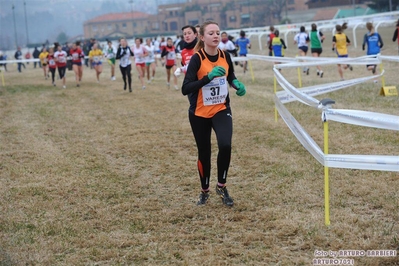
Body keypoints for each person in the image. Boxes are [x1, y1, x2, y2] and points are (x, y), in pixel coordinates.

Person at [181, 21, 246, 206]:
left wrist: (236, 85)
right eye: (211, 33)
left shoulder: (225, 55)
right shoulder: (197, 59)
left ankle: (222, 186)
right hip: (200, 112)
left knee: (225, 145)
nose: (216, 36)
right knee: (204, 153)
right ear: (202, 37)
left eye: (218, 32)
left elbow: (230, 75)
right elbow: (185, 88)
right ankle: (204, 190)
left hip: (221, 108)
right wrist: (207, 78)